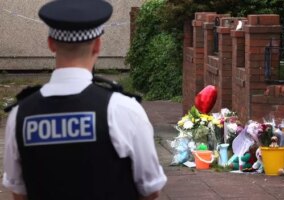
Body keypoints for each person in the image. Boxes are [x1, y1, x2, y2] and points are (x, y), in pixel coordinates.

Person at [2, 0, 167, 200]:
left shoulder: (20, 115)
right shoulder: (123, 109)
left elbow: (19, 192)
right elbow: (151, 189)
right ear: (97, 45)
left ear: (51, 43)